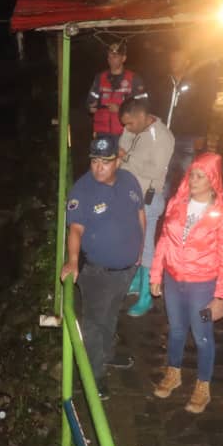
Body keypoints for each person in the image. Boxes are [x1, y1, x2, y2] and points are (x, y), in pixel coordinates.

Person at [149, 153, 223, 413]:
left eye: (200, 176)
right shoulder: (177, 203)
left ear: (213, 179)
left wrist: (220, 296)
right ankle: (173, 372)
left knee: (202, 336)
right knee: (176, 329)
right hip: (173, 280)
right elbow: (164, 240)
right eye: (192, 174)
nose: (193, 180)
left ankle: (203, 385)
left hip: (202, 286)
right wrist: (156, 274)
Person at [61, 136, 146, 397]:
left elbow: (140, 214)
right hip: (98, 272)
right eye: (94, 161)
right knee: (94, 324)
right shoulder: (82, 191)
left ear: (117, 160)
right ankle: (92, 376)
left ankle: (106, 355)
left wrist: (140, 252)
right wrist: (73, 261)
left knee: (110, 316)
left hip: (125, 270)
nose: (99, 167)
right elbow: (75, 229)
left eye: (105, 162)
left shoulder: (130, 180)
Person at [118, 95, 175, 317]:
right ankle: (137, 281)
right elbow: (122, 147)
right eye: (124, 125)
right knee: (135, 242)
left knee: (147, 247)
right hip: (130, 195)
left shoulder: (162, 136)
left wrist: (128, 158)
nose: (127, 128)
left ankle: (146, 295)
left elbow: (155, 170)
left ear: (142, 116)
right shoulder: (133, 129)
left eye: (129, 123)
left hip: (148, 200)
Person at [149, 47, 218, 196]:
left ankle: (185, 205)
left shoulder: (196, 84)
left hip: (187, 138)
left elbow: (203, 110)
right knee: (163, 174)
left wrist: (201, 134)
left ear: (187, 62)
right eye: (172, 60)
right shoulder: (163, 83)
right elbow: (154, 107)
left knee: (188, 174)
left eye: (178, 60)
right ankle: (163, 208)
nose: (174, 63)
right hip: (165, 136)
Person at [87, 40, 144, 140]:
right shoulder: (100, 77)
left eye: (115, 57)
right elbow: (90, 102)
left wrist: (120, 110)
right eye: (109, 57)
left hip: (126, 133)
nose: (111, 60)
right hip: (102, 133)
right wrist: (91, 106)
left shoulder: (134, 79)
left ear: (123, 58)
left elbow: (143, 106)